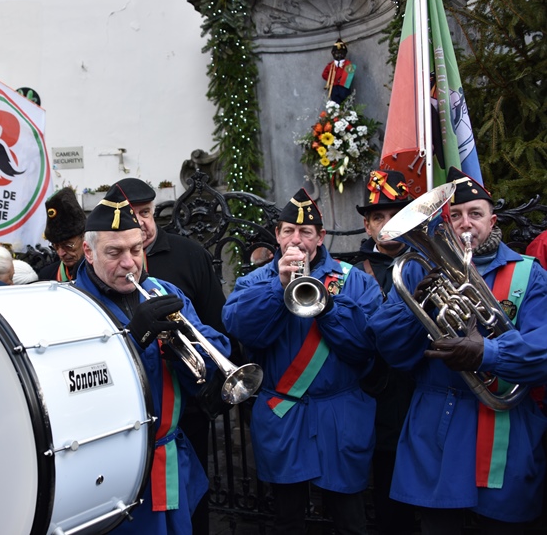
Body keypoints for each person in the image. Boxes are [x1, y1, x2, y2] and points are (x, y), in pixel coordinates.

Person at [367, 169, 547, 533]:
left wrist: (487, 353)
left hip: (504, 428)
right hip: (437, 427)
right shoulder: (419, 270)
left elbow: (542, 351)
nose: (467, 223)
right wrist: (411, 307)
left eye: (476, 214)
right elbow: (394, 354)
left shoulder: (529, 274)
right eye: (457, 214)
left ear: (492, 220)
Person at [222, 187, 382, 534]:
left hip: (339, 414)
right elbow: (242, 330)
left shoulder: (353, 281)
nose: (297, 240)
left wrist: (326, 306)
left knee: (350, 517)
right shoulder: (255, 281)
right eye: (288, 231)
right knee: (288, 517)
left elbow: (364, 347)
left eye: (306, 232)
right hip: (284, 412)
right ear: (278, 236)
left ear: (321, 236)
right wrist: (277, 290)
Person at [73, 186, 231, 535]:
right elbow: (76, 385)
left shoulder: (164, 290)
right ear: (88, 251)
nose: (129, 263)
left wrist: (188, 345)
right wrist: (134, 340)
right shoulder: (71, 307)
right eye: (114, 252)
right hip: (114, 468)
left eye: (136, 249)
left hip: (172, 455)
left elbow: (218, 346)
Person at [353, 170, 417, 535]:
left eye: (397, 215)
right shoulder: (349, 271)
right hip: (376, 397)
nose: (389, 224)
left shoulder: (427, 262)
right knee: (387, 497)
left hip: (420, 390)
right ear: (367, 225)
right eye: (380, 217)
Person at [37, 187, 86, 281]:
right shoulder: (46, 276)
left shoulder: (100, 274)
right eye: (55, 246)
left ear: (84, 238)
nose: (61, 253)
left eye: (68, 245)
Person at [321, 38, 356, 104]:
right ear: (333, 54)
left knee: (346, 104)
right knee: (335, 104)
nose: (339, 55)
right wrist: (332, 80)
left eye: (341, 53)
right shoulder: (331, 65)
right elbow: (324, 74)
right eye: (337, 53)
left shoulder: (348, 64)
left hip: (344, 88)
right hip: (334, 88)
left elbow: (350, 74)